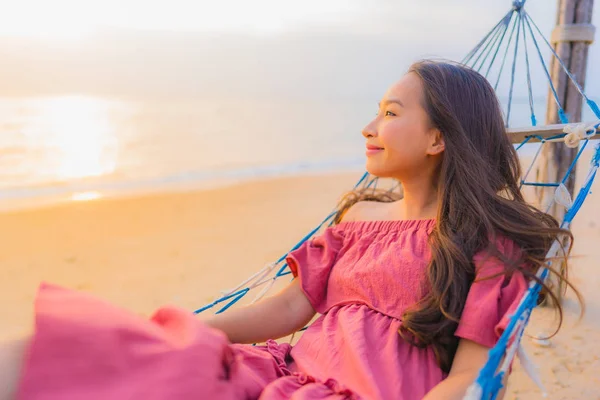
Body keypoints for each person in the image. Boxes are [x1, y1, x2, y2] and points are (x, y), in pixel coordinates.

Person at [2, 60, 577, 400]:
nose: (370, 126)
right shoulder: (354, 226)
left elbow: (472, 374)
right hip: (284, 372)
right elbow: (283, 311)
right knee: (106, 346)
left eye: (392, 113)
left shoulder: (485, 245)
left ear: (438, 138)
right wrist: (183, 327)